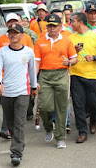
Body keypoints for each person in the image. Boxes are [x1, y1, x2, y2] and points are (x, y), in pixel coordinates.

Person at [0, 23, 37, 166]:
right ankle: (19, 143)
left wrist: (33, 86)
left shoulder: (29, 52)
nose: (13, 35)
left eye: (16, 33)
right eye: (10, 33)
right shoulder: (2, 51)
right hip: (6, 92)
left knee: (19, 122)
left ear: (22, 35)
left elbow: (32, 71)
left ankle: (16, 153)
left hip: (22, 92)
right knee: (11, 122)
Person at [34, 14, 78, 149]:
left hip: (61, 74)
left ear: (60, 27)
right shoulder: (40, 41)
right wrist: (34, 80)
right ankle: (48, 126)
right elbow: (36, 62)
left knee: (62, 107)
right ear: (46, 26)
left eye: (54, 25)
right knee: (45, 106)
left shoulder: (67, 40)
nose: (52, 28)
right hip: (45, 76)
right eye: (49, 25)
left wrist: (69, 62)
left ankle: (60, 137)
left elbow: (74, 58)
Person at [0, 13, 34, 139]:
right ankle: (9, 130)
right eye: (10, 22)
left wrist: (34, 83)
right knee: (9, 114)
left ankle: (17, 149)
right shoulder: (2, 42)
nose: (13, 34)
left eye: (15, 21)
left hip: (22, 84)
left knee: (20, 119)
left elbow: (31, 64)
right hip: (5, 81)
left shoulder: (27, 41)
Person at [69, 13, 96, 143]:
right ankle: (82, 132)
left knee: (94, 103)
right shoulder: (71, 38)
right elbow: (67, 55)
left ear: (81, 22)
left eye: (72, 21)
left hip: (92, 75)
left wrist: (94, 57)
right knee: (78, 105)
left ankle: (94, 121)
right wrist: (74, 50)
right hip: (76, 75)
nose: (71, 23)